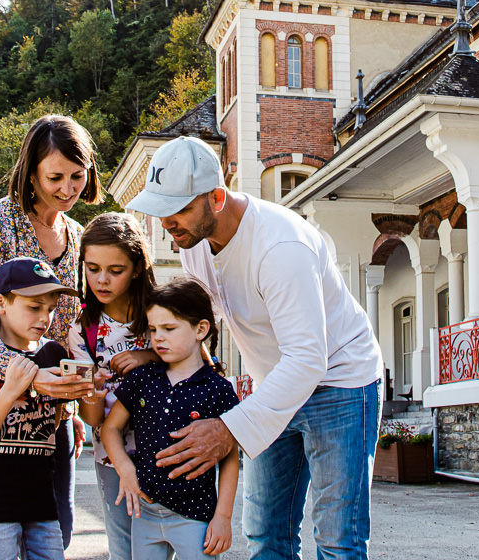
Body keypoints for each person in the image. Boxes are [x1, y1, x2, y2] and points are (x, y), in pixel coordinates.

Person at [125, 136, 383, 560]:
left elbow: (307, 359)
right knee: (265, 535)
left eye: (181, 209)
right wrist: (151, 355)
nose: (169, 222)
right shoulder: (194, 245)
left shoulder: (281, 248)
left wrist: (229, 429)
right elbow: (199, 329)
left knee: (339, 542)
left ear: (217, 197)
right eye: (162, 209)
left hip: (341, 384)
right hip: (274, 384)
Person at [0, 114, 99, 548]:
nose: (68, 189)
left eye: (77, 175)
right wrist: (29, 376)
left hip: (50, 407)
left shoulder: (76, 234)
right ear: (30, 173)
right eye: (55, 177)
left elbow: (66, 326)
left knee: (56, 530)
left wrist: (70, 396)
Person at [100, 278, 241, 560]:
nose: (158, 338)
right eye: (153, 329)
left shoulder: (218, 389)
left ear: (201, 329)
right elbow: (111, 428)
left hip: (195, 516)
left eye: (169, 328)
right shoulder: (142, 379)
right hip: (146, 514)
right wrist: (126, 472)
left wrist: (223, 517)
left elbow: (229, 458)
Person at [0, 257, 79, 560]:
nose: (45, 318)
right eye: (34, 307)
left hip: (41, 500)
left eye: (50, 309)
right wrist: (12, 389)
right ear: (0, 303)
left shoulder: (52, 353)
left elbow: (54, 419)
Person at [71, 213, 160, 560]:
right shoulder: (83, 329)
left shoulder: (162, 313)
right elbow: (92, 418)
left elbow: (201, 369)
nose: (102, 280)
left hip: (168, 451)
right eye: (92, 268)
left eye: (115, 270)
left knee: (167, 546)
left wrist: (149, 356)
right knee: (123, 550)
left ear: (137, 267)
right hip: (111, 457)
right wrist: (90, 391)